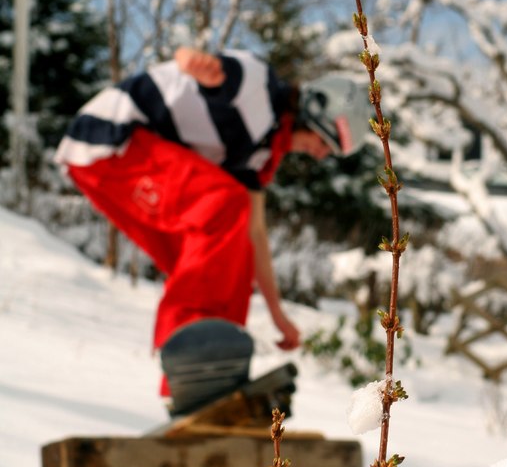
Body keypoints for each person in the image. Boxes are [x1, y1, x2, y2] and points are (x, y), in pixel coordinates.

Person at [55, 47, 369, 395]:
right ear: (314, 109)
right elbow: (217, 73)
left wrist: (277, 314)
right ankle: (188, 357)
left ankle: (207, 376)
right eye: (326, 141)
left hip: (126, 163)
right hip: (111, 139)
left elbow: (255, 234)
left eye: (332, 152)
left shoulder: (257, 154)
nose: (322, 154)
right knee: (223, 205)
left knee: (229, 260)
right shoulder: (258, 87)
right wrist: (197, 64)